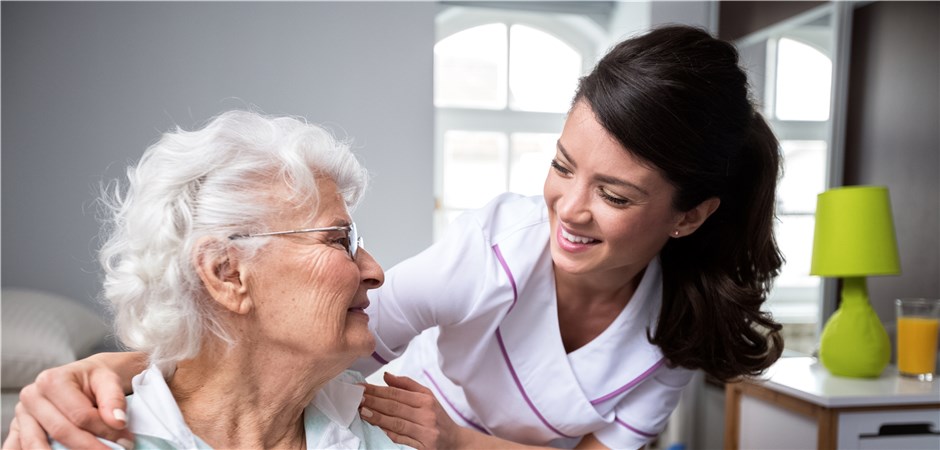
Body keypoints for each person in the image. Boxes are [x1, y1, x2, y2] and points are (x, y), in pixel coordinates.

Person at [5, 25, 784, 450]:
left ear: (688, 216)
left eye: (614, 195)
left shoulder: (685, 325)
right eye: (560, 166)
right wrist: (112, 366)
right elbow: (267, 351)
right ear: (224, 273)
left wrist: (453, 445)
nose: (568, 210)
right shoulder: (499, 249)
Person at [3, 111, 410, 450]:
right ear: (226, 273)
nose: (375, 272)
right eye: (339, 240)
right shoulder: (89, 440)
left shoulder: (390, 426)